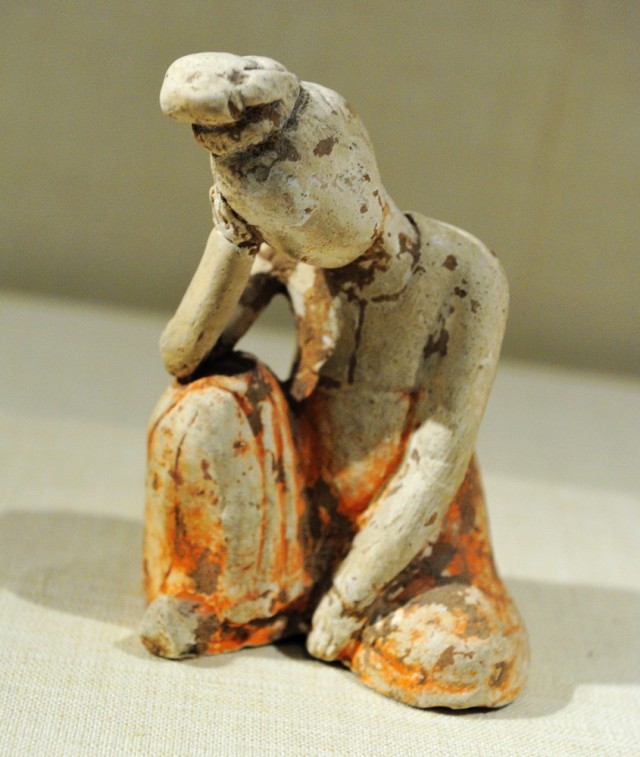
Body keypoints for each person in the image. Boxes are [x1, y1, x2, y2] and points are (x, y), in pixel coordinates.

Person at [141, 53, 529, 709]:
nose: (300, 245)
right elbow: (183, 355)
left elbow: (438, 452)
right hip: (303, 486)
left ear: (359, 170)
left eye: (309, 215)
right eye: (280, 228)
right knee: (201, 406)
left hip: (409, 524)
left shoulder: (464, 272)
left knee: (464, 656)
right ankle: (227, 595)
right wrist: (232, 235)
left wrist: (351, 596)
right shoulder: (277, 248)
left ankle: (341, 604)